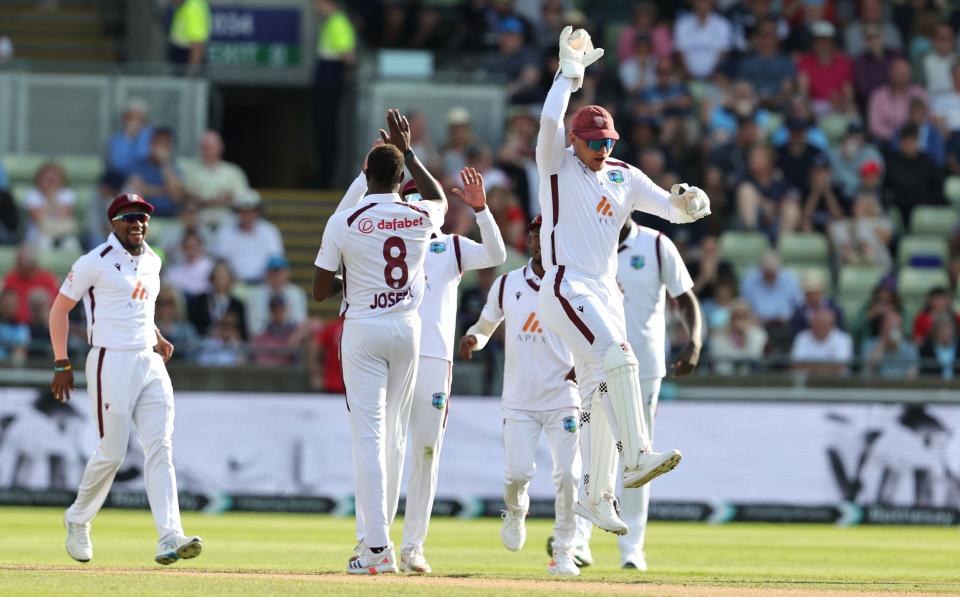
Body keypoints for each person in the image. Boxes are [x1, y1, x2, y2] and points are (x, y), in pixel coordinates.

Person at [535, 27, 710, 535]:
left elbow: (671, 209)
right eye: (592, 142)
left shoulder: (624, 175)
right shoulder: (556, 165)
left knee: (598, 397)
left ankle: (595, 496)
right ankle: (635, 457)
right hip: (566, 286)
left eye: (607, 142)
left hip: (603, 292)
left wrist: (690, 202)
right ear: (575, 140)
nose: (600, 150)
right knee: (621, 359)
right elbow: (548, 120)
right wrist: (568, 76)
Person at [333, 162, 505, 573]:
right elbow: (342, 226)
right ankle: (373, 540)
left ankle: (413, 546)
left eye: (418, 199)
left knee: (426, 454)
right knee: (384, 449)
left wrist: (482, 210)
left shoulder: (450, 247)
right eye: (407, 197)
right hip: (390, 356)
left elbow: (497, 254)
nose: (412, 206)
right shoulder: (379, 242)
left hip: (431, 360)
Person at [312, 109, 447, 574]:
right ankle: (379, 539)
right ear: (402, 175)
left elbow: (319, 289)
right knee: (394, 436)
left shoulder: (345, 220)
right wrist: (410, 152)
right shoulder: (420, 214)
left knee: (368, 437)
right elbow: (440, 198)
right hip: (409, 329)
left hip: (364, 328)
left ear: (366, 174)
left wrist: (351, 271)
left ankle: (374, 546)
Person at [48, 192, 202, 565]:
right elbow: (59, 311)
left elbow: (140, 308)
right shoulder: (93, 261)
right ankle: (78, 519)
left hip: (148, 361)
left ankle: (169, 536)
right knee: (113, 453)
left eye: (143, 217)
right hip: (109, 361)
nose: (138, 223)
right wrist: (61, 362)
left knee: (161, 447)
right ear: (113, 222)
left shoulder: (152, 259)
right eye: (129, 217)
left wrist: (157, 336)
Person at [571, 219, 701, 571]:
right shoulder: (587, 242)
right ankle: (580, 540)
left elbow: (684, 298)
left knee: (639, 459)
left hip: (644, 367)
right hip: (596, 362)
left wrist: (695, 339)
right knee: (592, 446)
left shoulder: (657, 245)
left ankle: (632, 549)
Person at [459, 215, 581, 576]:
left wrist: (586, 364)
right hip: (519, 399)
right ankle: (515, 511)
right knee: (516, 474)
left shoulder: (575, 284)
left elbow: (594, 334)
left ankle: (563, 551)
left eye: (546, 235)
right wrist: (474, 339)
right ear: (529, 241)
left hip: (565, 395)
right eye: (534, 235)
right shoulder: (506, 284)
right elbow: (485, 325)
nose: (539, 241)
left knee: (569, 477)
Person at [313, 0, 356, 187]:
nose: (315, 7)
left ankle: (326, 178)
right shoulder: (332, 21)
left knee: (327, 130)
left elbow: (349, 56)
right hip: (327, 82)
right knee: (323, 130)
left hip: (330, 83)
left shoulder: (337, 22)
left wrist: (344, 76)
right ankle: (324, 176)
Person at [212, 190, 284, 284]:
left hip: (264, 286)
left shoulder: (270, 231)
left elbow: (276, 261)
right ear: (237, 212)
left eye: (252, 211)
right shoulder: (225, 232)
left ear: (258, 211)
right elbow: (221, 261)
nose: (248, 215)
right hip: (234, 286)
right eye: (244, 211)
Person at [183, 130, 251, 228]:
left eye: (211, 148)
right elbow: (183, 195)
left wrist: (228, 199)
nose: (208, 151)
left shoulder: (233, 172)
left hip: (227, 219)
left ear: (220, 148)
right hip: (197, 220)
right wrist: (201, 200)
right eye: (204, 148)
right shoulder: (189, 170)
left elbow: (243, 201)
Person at [126, 127, 185, 217]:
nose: (160, 148)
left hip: (170, 216)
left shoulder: (174, 168)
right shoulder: (138, 165)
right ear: (151, 144)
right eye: (158, 143)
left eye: (165, 144)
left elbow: (176, 196)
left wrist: (164, 163)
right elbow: (138, 191)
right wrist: (164, 190)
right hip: (144, 216)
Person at [245, 255, 308, 338]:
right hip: (264, 342)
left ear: (287, 273)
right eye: (272, 272)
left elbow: (300, 322)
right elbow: (254, 328)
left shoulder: (297, 293)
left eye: (279, 272)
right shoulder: (255, 295)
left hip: (290, 341)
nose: (276, 276)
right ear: (267, 273)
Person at [24, 161, 81, 250]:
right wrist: (50, 197)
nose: (51, 181)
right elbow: (38, 217)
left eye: (55, 178)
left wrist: (51, 198)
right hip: (38, 234)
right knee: (45, 242)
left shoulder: (67, 193)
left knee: (71, 243)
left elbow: (65, 214)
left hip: (62, 233)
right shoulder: (33, 195)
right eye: (47, 178)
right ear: (40, 179)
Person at [2, 244, 59, 325]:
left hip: (41, 324)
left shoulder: (47, 279)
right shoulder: (10, 279)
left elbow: (54, 307)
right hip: (14, 324)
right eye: (21, 265)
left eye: (31, 266)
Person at [709, 299, 768, 375]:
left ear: (750, 317)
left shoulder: (758, 334)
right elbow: (720, 366)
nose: (740, 321)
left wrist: (746, 335)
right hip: (725, 381)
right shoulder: (718, 337)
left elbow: (756, 356)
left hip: (753, 379)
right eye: (736, 316)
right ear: (729, 318)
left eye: (744, 316)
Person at [790, 307, 853, 375]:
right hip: (806, 381)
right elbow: (796, 364)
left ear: (832, 325)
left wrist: (810, 367)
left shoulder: (843, 338)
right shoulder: (802, 337)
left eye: (823, 324)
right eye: (816, 323)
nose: (819, 327)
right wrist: (826, 367)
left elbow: (840, 365)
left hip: (836, 382)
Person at [862, 310, 918, 379]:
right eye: (890, 327)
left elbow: (913, 373)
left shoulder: (909, 347)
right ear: (881, 328)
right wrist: (882, 345)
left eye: (897, 327)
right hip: (876, 386)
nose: (894, 331)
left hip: (901, 387)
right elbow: (867, 370)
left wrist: (897, 348)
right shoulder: (870, 344)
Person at [107, 98, 153, 177]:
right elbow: (117, 164)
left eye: (139, 118)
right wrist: (128, 137)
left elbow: (144, 159)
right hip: (121, 179)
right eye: (130, 117)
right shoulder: (115, 140)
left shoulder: (152, 136)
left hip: (146, 179)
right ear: (124, 119)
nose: (134, 121)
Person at [168, 0, 210, 73]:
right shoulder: (184, 5)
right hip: (179, 58)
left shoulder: (193, 8)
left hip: (185, 60)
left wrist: (191, 74)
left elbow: (197, 45)